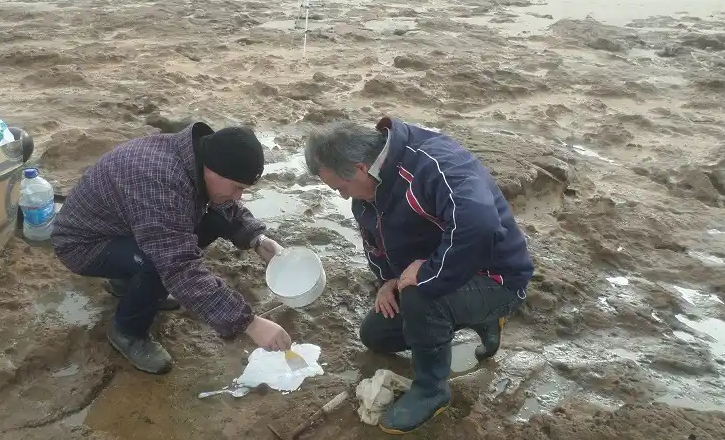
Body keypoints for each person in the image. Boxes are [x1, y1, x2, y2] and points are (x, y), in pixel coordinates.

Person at [304, 117, 533, 434]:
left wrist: (427, 272)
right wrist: (387, 280)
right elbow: (378, 241)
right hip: (451, 272)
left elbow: (480, 226)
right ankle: (479, 320)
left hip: (497, 278)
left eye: (340, 188)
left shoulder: (434, 164)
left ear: (359, 168)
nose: (342, 197)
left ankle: (431, 390)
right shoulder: (369, 188)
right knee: (376, 335)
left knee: (420, 295)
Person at [51, 122, 290, 374]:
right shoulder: (161, 182)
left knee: (207, 221)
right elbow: (178, 267)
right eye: (237, 187)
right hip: (83, 244)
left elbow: (223, 209)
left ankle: (128, 283)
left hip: (121, 228)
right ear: (212, 169)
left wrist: (258, 240)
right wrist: (250, 323)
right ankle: (128, 332)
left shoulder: (196, 157)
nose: (238, 196)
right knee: (159, 264)